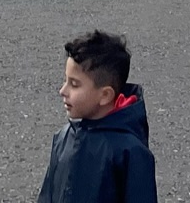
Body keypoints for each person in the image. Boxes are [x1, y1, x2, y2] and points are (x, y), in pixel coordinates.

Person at [40, 29, 157, 203]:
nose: (63, 91)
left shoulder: (129, 152)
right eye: (65, 80)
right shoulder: (63, 138)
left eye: (74, 84)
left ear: (105, 95)